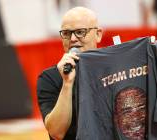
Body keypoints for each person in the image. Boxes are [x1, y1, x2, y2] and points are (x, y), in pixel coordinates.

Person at [37, 7, 103, 140]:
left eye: (80, 32)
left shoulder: (111, 68)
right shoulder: (49, 78)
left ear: (98, 34)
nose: (73, 39)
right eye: (66, 33)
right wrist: (67, 83)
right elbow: (56, 133)